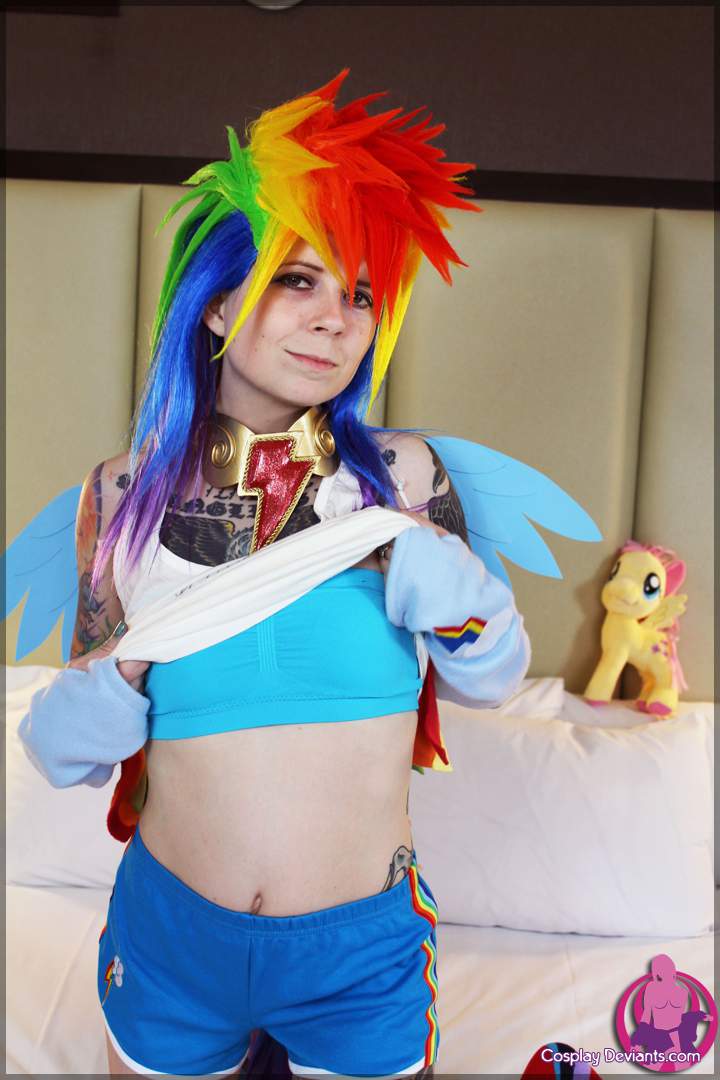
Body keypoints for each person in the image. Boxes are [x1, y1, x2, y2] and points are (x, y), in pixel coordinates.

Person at [22, 70, 531, 1078]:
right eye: (300, 279)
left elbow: (492, 677)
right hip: (172, 942)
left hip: (358, 957)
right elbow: (72, 745)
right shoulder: (120, 493)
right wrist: (111, 685)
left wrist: (445, 583)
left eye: (362, 295)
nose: (338, 319)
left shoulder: (405, 479)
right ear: (216, 304)